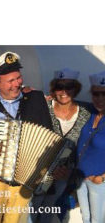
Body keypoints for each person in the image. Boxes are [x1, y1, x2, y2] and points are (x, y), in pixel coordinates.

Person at [0, 52, 54, 223]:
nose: (17, 84)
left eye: (18, 78)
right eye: (10, 81)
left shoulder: (36, 99)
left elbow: (49, 136)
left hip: (24, 180)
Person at [29, 69, 91, 222]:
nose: (64, 91)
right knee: (30, 212)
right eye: (59, 86)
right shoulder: (44, 107)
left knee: (48, 214)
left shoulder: (85, 113)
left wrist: (70, 170)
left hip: (64, 175)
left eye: (69, 86)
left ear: (75, 88)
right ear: (53, 89)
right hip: (39, 173)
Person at [76, 71, 105, 223]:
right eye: (96, 94)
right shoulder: (91, 113)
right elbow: (68, 101)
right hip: (81, 179)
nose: (99, 99)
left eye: (104, 94)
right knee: (86, 218)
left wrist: (102, 178)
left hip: (99, 182)